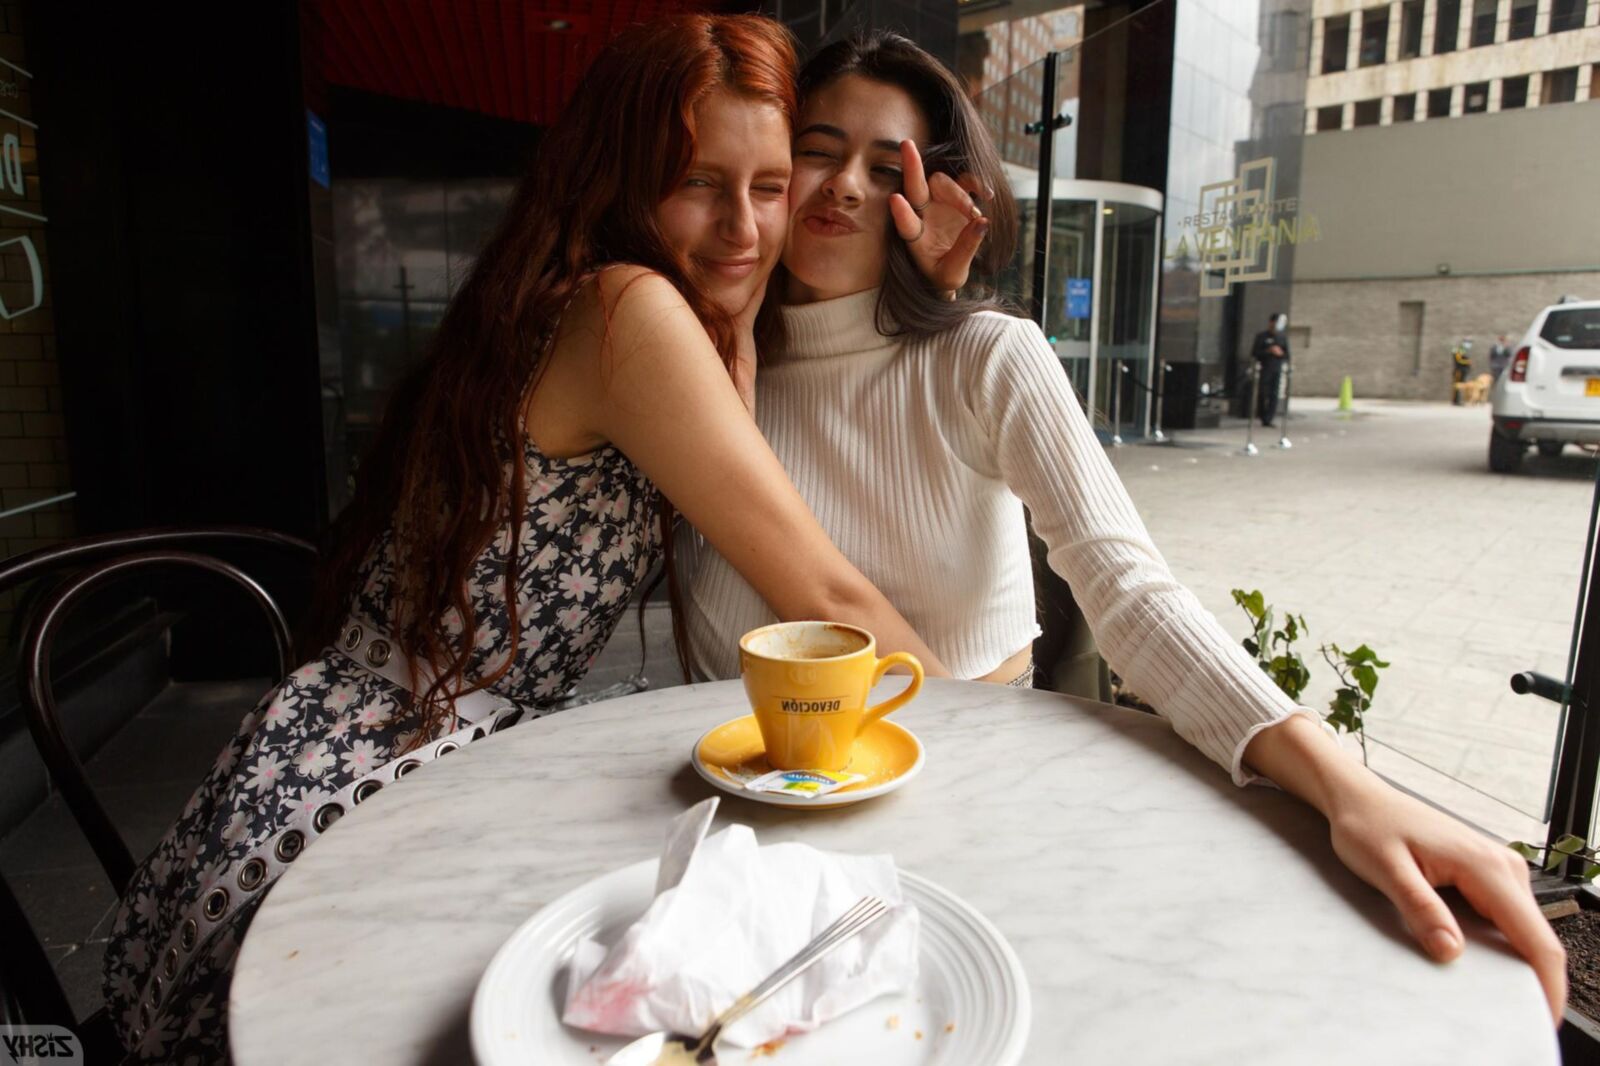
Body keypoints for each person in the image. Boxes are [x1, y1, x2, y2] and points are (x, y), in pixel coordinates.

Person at [101, 17, 953, 1061]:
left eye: (768, 187)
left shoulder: (593, 290)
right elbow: (821, 587)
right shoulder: (628, 307)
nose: (743, 227)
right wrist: (983, 754)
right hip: (372, 801)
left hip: (330, 750)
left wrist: (918, 296)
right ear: (618, 179)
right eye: (697, 181)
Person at [678, 30, 1567, 1023]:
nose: (843, 184)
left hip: (959, 801)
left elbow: (1127, 589)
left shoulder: (985, 355)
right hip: (737, 813)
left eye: (887, 166)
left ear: (934, 195)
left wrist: (1345, 786)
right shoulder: (704, 367)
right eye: (817, 146)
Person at [1251, 312, 1290, 427]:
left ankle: (1269, 417)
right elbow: (1255, 353)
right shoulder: (1262, 337)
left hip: (1277, 369)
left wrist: (1280, 353)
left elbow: (1287, 355)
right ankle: (1262, 414)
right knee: (1263, 392)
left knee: (1274, 394)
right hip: (1265, 368)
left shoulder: (1282, 338)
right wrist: (1268, 351)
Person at [1452, 338, 1474, 403]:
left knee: (1461, 386)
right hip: (1458, 371)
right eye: (1468, 342)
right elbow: (1458, 360)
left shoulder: (1464, 350)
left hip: (1463, 370)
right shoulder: (1458, 350)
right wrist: (1467, 361)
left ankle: (1458, 400)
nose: (1469, 344)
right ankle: (1455, 401)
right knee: (1457, 386)